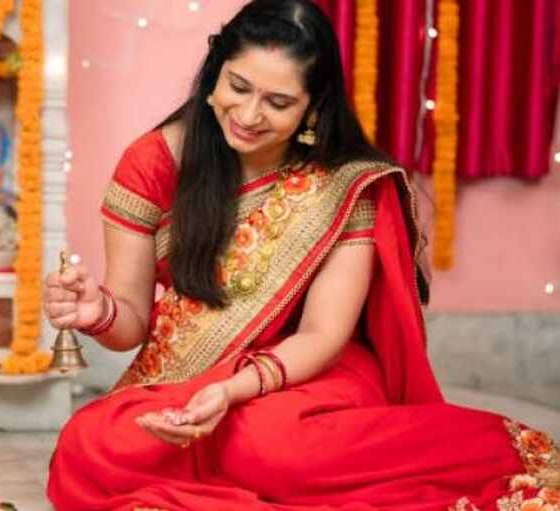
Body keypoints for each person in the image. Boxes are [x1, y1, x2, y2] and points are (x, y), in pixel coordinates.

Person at [44, 1, 560, 510]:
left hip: (315, 374)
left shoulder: (344, 183)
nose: (248, 115)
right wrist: (99, 312)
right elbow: (129, 326)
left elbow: (321, 335)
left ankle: (492, 451)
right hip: (196, 373)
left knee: (265, 444)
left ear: (313, 107)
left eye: (278, 102)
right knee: (88, 444)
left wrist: (234, 391)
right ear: (215, 74)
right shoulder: (153, 163)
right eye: (238, 87)